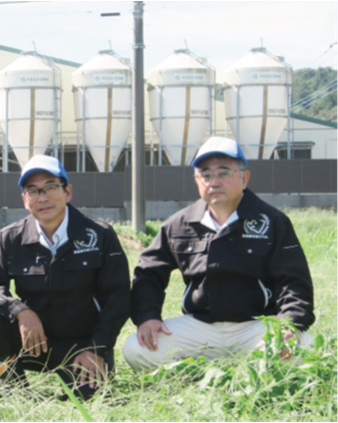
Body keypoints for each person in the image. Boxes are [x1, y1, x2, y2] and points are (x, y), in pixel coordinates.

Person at [124, 137, 315, 371]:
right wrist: (148, 316)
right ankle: (199, 378)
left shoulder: (271, 221)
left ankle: (242, 373)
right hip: (200, 327)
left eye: (223, 173)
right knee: (135, 349)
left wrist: (291, 324)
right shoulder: (180, 224)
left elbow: (294, 280)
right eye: (205, 174)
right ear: (197, 181)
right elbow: (148, 274)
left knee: (304, 349)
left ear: (244, 178)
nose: (213, 181)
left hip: (256, 326)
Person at [0, 155, 130, 401]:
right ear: (25, 200)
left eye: (51, 187)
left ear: (68, 192)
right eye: (33, 191)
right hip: (32, 341)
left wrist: (97, 348)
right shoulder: (11, 238)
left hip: (82, 346)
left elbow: (118, 299)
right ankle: (12, 391)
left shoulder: (99, 235)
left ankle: (88, 369)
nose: (42, 197)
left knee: (92, 399)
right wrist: (19, 310)